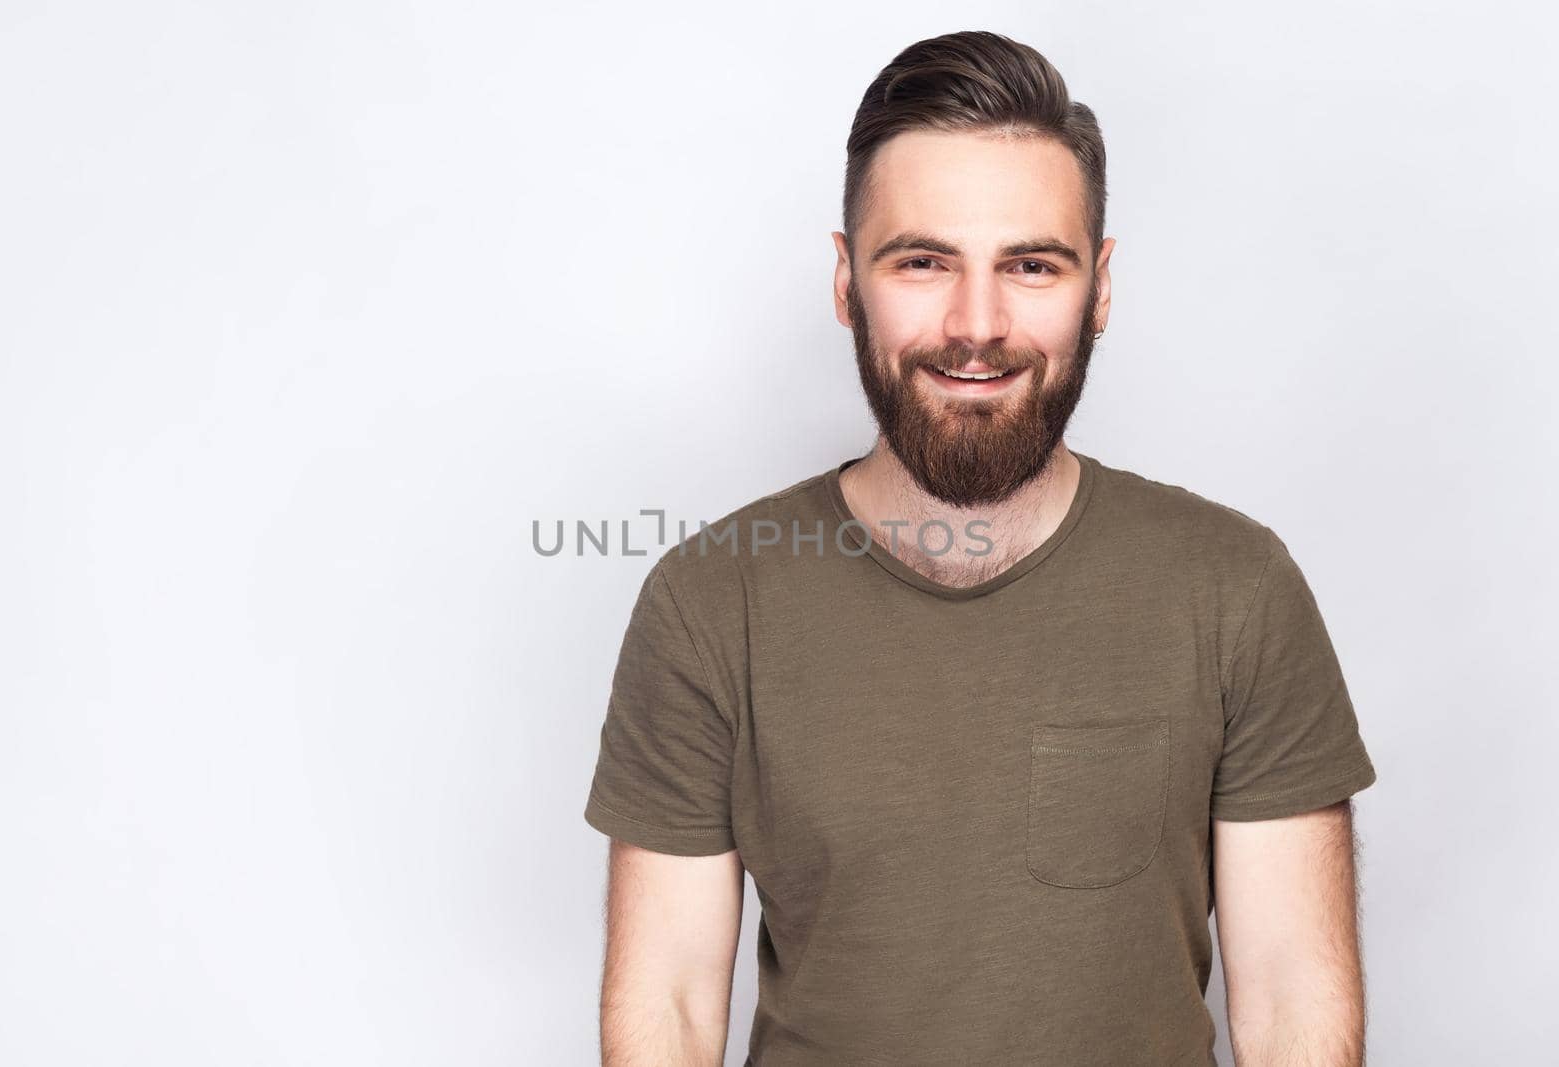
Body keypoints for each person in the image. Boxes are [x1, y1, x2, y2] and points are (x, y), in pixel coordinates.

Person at [582, 29, 1378, 1066]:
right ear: (844, 281)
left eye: (1031, 264)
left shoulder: (1235, 588)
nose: (976, 323)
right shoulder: (708, 600)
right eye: (922, 261)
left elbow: (1291, 1011)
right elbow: (670, 1011)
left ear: (1098, 285)